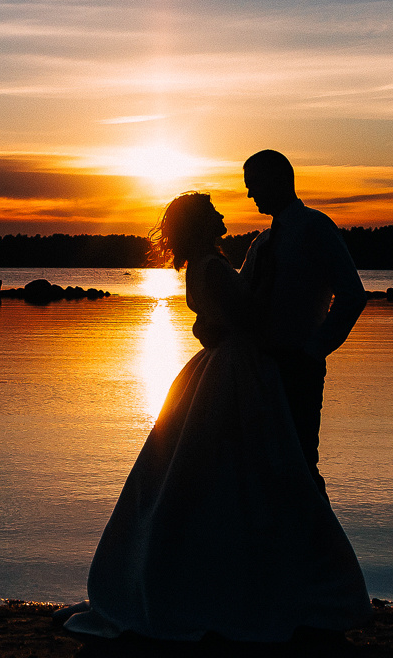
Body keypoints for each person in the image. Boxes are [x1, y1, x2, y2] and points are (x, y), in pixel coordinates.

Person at [63, 192, 371, 642]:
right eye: (213, 212)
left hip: (225, 367)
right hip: (238, 372)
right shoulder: (209, 266)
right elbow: (247, 318)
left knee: (222, 478)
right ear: (201, 223)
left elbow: (223, 315)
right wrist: (273, 286)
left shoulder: (202, 266)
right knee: (259, 475)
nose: (223, 215)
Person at [236, 149, 365, 481]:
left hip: (299, 369)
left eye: (254, 184)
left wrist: (313, 350)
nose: (250, 194)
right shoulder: (261, 244)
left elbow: (352, 294)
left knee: (301, 463)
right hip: (260, 370)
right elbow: (240, 298)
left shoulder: (316, 229)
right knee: (262, 463)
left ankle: (316, 531)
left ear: (278, 180)